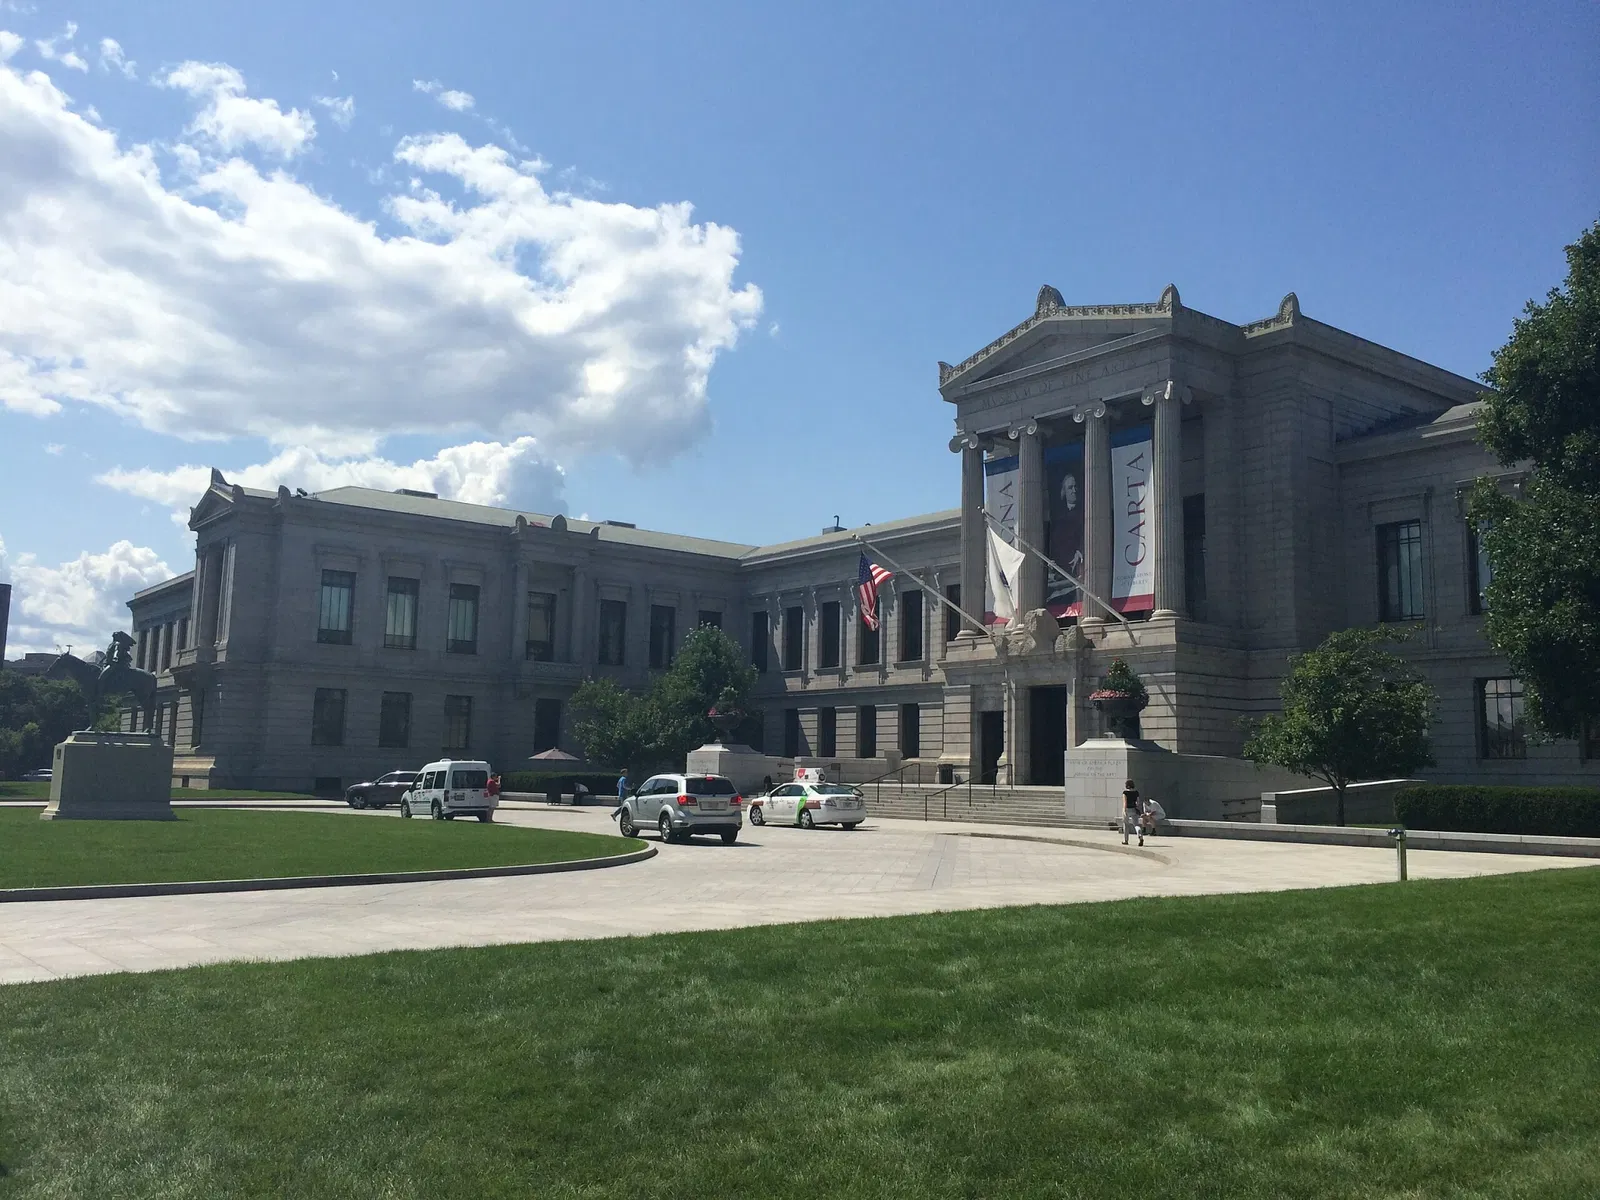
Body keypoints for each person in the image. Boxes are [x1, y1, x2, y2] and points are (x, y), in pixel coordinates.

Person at [1122, 779, 1142, 846]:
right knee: (1136, 824)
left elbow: (1125, 802)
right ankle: (1140, 835)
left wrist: (1124, 811)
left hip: (1127, 809)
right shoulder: (1136, 792)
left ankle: (1126, 840)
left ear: (1127, 785)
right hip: (1134, 809)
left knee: (1126, 825)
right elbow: (1138, 802)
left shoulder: (1125, 793)